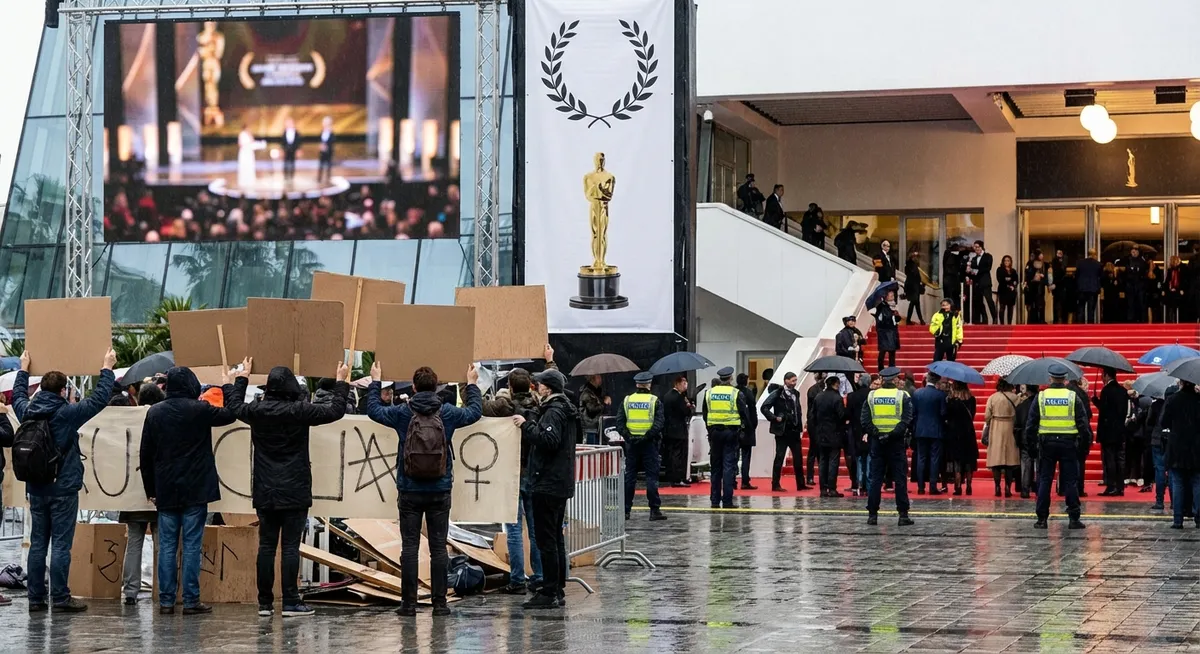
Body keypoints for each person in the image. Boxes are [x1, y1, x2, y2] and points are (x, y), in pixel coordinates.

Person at [224, 357, 350, 618]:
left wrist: (241, 378)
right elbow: (335, 411)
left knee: (267, 546)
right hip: (295, 488)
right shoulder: (300, 411)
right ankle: (291, 601)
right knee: (291, 546)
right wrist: (341, 382)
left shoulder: (256, 412)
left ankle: (265, 603)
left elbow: (234, 405)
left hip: (265, 489)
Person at [366, 362, 481, 615]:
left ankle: (408, 604)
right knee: (438, 547)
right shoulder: (447, 413)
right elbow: (474, 412)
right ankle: (439, 604)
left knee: (410, 547)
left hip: (409, 489)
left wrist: (375, 382)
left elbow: (373, 410)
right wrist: (472, 384)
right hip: (440, 489)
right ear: (437, 385)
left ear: (414, 387)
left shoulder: (402, 413)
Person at [14, 348, 116, 613]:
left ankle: (35, 599)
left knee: (38, 543)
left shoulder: (27, 411)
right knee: (60, 544)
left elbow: (17, 397)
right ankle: (59, 598)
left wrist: (23, 370)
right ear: (63, 391)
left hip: (36, 488)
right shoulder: (66, 415)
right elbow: (99, 399)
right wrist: (106, 368)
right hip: (63, 488)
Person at [140, 367, 237, 615]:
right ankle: (191, 600)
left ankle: (166, 600)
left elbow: (146, 453)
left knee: (167, 546)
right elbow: (230, 415)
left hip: (166, 489)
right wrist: (229, 385)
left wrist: (150, 489)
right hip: (196, 487)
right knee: (192, 545)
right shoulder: (200, 409)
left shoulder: (155, 412)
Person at [512, 369, 578, 609]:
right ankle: (556, 587)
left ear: (547, 388)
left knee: (546, 539)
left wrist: (527, 426)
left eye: (539, 384)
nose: (536, 387)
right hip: (560, 482)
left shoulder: (554, 411)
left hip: (548, 483)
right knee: (555, 539)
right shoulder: (566, 409)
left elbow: (549, 441)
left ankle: (550, 591)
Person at [481, 366, 544, 595]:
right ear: (530, 385)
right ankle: (539, 576)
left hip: (512, 473)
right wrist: (549, 363)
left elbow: (478, 405)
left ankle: (517, 578)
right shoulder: (539, 403)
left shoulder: (504, 406)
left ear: (508, 386)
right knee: (536, 529)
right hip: (534, 472)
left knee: (514, 529)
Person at [1029, 364, 1091, 529]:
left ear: (1050, 378)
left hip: (1046, 443)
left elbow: (1031, 424)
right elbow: (1083, 424)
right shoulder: (1072, 397)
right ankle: (1074, 518)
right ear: (1065, 379)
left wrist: (1031, 447)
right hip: (1068, 443)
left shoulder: (1041, 397)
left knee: (1044, 480)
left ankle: (1042, 519)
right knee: (1070, 481)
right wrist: (1085, 446)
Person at [862, 367, 914, 526]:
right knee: (899, 478)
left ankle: (872, 515)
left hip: (877, 442)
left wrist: (877, 433)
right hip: (896, 442)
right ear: (896, 379)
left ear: (882, 379)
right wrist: (891, 434)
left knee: (876, 479)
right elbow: (907, 420)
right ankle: (903, 515)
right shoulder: (902, 395)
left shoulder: (871, 395)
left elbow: (865, 420)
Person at [616, 372, 667, 521]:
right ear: (649, 384)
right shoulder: (654, 400)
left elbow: (620, 422)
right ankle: (654, 510)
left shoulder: (627, 400)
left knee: (630, 477)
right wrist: (647, 436)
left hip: (632, 445)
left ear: (637, 384)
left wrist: (629, 437)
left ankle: (625, 511)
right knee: (651, 477)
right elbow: (659, 423)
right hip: (649, 444)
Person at [704, 367, 749, 508]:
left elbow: (706, 415)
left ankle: (714, 500)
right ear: (730, 378)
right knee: (729, 467)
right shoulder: (736, 393)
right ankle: (728, 501)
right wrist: (743, 430)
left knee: (715, 467)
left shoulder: (709, 393)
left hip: (715, 434)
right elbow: (744, 413)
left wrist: (710, 430)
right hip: (731, 433)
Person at [1162, 379, 1200, 528]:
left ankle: (1178, 520)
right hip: (1196, 447)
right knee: (1197, 482)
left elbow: (1164, 422)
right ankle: (1199, 518)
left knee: (1177, 483)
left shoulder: (1172, 399)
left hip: (1177, 446)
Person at [761, 372, 805, 492]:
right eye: (792, 380)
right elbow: (764, 407)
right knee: (779, 457)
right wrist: (775, 418)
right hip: (782, 430)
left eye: (795, 380)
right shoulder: (777, 394)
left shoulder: (796, 393)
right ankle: (775, 484)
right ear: (786, 381)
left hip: (794, 429)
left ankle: (801, 484)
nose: (794, 383)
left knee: (798, 457)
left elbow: (797, 410)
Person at [809, 376, 846, 497]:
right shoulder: (837, 398)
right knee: (833, 461)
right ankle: (832, 488)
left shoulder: (819, 396)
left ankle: (823, 489)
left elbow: (812, 415)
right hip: (834, 434)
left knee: (823, 461)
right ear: (836, 384)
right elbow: (842, 416)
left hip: (820, 433)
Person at [984, 379, 1021, 498]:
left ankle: (997, 486)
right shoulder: (1015, 397)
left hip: (996, 427)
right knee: (1009, 462)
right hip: (1010, 427)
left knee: (996, 460)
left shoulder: (993, 397)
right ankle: (1008, 487)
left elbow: (987, 416)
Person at [1093, 368, 1128, 496]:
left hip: (1108, 432)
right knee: (1120, 459)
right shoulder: (1123, 391)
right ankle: (1120, 486)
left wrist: (1096, 401)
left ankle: (1111, 486)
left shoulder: (1106, 391)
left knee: (1110, 459)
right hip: (1120, 430)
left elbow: (1105, 411)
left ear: (1106, 376)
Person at [912, 372, 947, 495]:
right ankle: (933, 486)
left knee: (921, 458)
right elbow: (943, 413)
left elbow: (913, 412)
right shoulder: (940, 395)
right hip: (935, 429)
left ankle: (920, 486)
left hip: (920, 429)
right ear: (936, 381)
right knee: (934, 458)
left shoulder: (917, 393)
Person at [845, 374, 877, 496]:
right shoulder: (873, 395)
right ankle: (868, 485)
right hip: (870, 430)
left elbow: (847, 414)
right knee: (869, 458)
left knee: (858, 459)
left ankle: (858, 484)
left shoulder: (852, 396)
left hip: (855, 431)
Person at [945, 381, 978, 496]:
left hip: (955, 433)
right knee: (969, 460)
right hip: (968, 432)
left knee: (957, 460)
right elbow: (972, 415)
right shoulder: (971, 399)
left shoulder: (951, 401)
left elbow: (947, 416)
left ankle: (957, 486)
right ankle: (969, 486)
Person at [661, 375, 693, 487]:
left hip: (668, 430)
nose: (685, 386)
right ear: (677, 384)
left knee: (670, 454)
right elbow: (684, 412)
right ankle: (678, 478)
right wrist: (688, 406)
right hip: (678, 430)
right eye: (684, 384)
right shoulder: (678, 397)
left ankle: (671, 477)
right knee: (679, 455)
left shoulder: (666, 396)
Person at [1014, 384, 1039, 498]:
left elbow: (1017, 424)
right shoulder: (1041, 404)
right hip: (1039, 436)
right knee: (1039, 464)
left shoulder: (1022, 405)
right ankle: (1039, 488)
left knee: (1025, 464)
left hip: (1025, 437)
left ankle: (1025, 489)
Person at [735, 373, 758, 490]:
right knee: (746, 455)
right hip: (747, 428)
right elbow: (753, 411)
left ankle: (732, 480)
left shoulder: (734, 392)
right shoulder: (749, 393)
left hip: (734, 427)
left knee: (733, 455)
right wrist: (753, 425)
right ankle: (745, 480)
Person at [578, 376, 609, 445]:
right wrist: (604, 403)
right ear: (592, 379)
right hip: (590, 428)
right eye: (598, 377)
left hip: (598, 428)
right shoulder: (587, 394)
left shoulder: (596, 392)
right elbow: (592, 410)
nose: (601, 380)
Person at [873, 293, 900, 371]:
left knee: (892, 352)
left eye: (893, 295)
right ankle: (881, 370)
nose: (893, 297)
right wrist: (891, 315)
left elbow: (896, 319)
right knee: (883, 352)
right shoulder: (881, 306)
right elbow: (881, 320)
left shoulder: (893, 306)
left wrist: (896, 316)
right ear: (886, 297)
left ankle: (892, 370)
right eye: (891, 295)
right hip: (884, 333)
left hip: (892, 332)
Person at [1075, 249, 1102, 324]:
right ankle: (1090, 327)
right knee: (1091, 310)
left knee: (1081, 309)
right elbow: (1100, 277)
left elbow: (1077, 275)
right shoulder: (1098, 264)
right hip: (1093, 289)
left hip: (1082, 289)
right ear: (1095, 255)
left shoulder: (1080, 263)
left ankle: (1080, 327)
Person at [1122, 246, 1148, 323]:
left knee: (1141, 303)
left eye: (1136, 251)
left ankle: (1142, 320)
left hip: (1140, 286)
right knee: (1130, 304)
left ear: (1138, 252)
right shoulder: (1127, 260)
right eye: (1133, 251)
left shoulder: (1142, 261)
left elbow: (1144, 272)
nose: (1134, 253)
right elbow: (1124, 273)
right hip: (1130, 286)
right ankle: (1130, 320)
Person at [903, 249, 926, 325]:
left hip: (914, 287)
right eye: (915, 257)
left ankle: (918, 320)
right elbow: (913, 276)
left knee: (915, 303)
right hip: (912, 287)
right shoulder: (910, 265)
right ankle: (918, 320)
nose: (916, 258)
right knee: (914, 303)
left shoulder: (913, 265)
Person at [1163, 255, 1187, 323]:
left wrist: (1182, 289)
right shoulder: (1171, 270)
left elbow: (1185, 280)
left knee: (1179, 302)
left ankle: (1178, 319)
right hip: (1172, 289)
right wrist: (1164, 289)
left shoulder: (1183, 268)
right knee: (1170, 300)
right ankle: (1171, 317)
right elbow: (1167, 280)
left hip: (1180, 289)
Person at [996, 255, 1019, 325]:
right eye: (1005, 260)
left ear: (1010, 262)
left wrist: (1011, 283)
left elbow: (1016, 280)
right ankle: (1002, 324)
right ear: (1003, 262)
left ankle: (1009, 324)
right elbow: (1000, 279)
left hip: (1011, 292)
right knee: (1002, 307)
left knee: (1010, 308)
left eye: (1008, 260)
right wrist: (1009, 280)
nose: (1006, 262)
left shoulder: (1013, 271)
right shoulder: (1000, 269)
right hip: (1003, 291)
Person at [1024, 255, 1048, 324]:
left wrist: (1043, 278)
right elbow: (1028, 276)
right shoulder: (1030, 264)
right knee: (1032, 306)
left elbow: (1046, 278)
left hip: (1040, 288)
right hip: (1032, 288)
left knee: (1041, 305)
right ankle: (1032, 321)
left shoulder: (1044, 265)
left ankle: (1041, 320)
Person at [942, 245, 964, 316]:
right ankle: (953, 314)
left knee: (953, 298)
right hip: (951, 280)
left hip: (951, 280)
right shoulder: (952, 257)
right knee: (952, 298)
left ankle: (953, 314)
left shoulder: (952, 258)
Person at [1049, 250, 1068, 323]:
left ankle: (1061, 319)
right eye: (1058, 253)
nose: (1059, 254)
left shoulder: (1064, 260)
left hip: (1060, 285)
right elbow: (1057, 272)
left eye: (1061, 253)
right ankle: (1057, 319)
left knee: (1062, 303)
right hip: (1057, 285)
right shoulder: (1055, 261)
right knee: (1057, 303)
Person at [317, 116, 335, 184]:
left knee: (328, 166)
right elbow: (320, 140)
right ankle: (319, 178)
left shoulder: (331, 133)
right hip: (322, 152)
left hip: (329, 152)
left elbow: (332, 142)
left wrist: (327, 147)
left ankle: (328, 178)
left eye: (326, 123)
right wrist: (321, 147)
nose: (325, 124)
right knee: (321, 165)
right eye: (324, 123)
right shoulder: (322, 132)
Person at [282, 118, 300, 183]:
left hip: (293, 150)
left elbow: (298, 142)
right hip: (286, 150)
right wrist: (282, 150)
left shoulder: (296, 132)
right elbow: (282, 142)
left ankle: (291, 176)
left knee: (292, 163)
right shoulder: (284, 132)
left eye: (290, 123)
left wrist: (298, 150)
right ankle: (286, 176)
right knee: (286, 163)